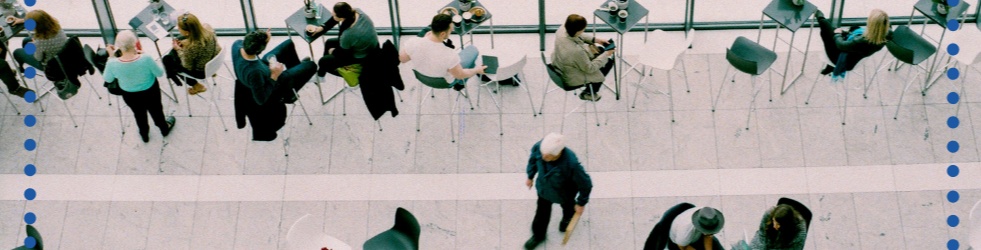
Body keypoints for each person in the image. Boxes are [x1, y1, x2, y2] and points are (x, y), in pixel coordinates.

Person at [231, 29, 317, 141]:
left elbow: (252, 51)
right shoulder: (255, 72)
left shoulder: (236, 45)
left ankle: (296, 71)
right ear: (259, 49)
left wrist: (264, 40)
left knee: (288, 44)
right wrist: (275, 75)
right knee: (311, 65)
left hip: (264, 68)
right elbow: (260, 99)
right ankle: (290, 93)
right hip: (275, 85)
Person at [523, 132, 593, 249]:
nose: (543, 157)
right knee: (541, 214)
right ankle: (538, 235)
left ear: (558, 154)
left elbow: (586, 183)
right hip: (544, 190)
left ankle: (566, 220)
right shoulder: (540, 148)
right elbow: (533, 160)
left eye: (547, 156)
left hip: (565, 193)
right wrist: (530, 176)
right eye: (542, 154)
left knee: (568, 208)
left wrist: (581, 202)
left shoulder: (571, 164)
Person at [104, 30, 175, 143]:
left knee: (139, 114)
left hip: (129, 94)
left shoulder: (113, 63)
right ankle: (163, 128)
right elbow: (160, 73)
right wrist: (144, 55)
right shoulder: (146, 58)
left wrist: (111, 57)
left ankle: (144, 134)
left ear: (118, 46)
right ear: (135, 44)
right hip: (150, 91)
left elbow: (108, 79)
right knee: (157, 111)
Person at [399, 13, 486, 91]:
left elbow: (402, 59)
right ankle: (460, 84)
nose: (451, 32)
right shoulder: (450, 54)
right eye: (451, 30)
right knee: (473, 50)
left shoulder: (413, 42)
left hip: (421, 77)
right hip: (444, 83)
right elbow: (460, 75)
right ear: (442, 34)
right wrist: (477, 70)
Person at [306, 2, 379, 80]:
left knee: (323, 61)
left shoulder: (348, 34)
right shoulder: (357, 12)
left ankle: (328, 69)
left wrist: (333, 51)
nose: (332, 15)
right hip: (370, 47)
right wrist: (322, 27)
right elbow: (335, 19)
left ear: (341, 18)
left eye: (334, 14)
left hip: (362, 57)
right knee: (329, 42)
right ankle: (322, 73)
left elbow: (343, 54)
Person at [551, 14, 615, 101]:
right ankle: (589, 92)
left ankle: (590, 89)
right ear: (577, 31)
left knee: (599, 51)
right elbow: (590, 68)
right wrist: (607, 54)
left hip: (558, 63)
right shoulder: (576, 51)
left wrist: (596, 40)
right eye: (583, 29)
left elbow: (579, 35)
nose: (583, 30)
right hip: (570, 76)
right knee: (608, 62)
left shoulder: (562, 29)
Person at [814, 9, 890, 79]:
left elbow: (841, 45)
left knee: (825, 28)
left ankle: (819, 15)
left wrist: (837, 34)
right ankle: (829, 67)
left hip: (844, 61)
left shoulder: (863, 41)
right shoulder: (885, 35)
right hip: (854, 57)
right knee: (831, 31)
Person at [162, 12, 221, 95]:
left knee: (168, 61)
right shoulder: (208, 29)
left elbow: (187, 67)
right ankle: (212, 74)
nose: (178, 29)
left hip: (201, 71)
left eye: (179, 29)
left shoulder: (190, 48)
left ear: (187, 32)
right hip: (213, 59)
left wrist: (179, 50)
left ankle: (196, 85)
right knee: (177, 42)